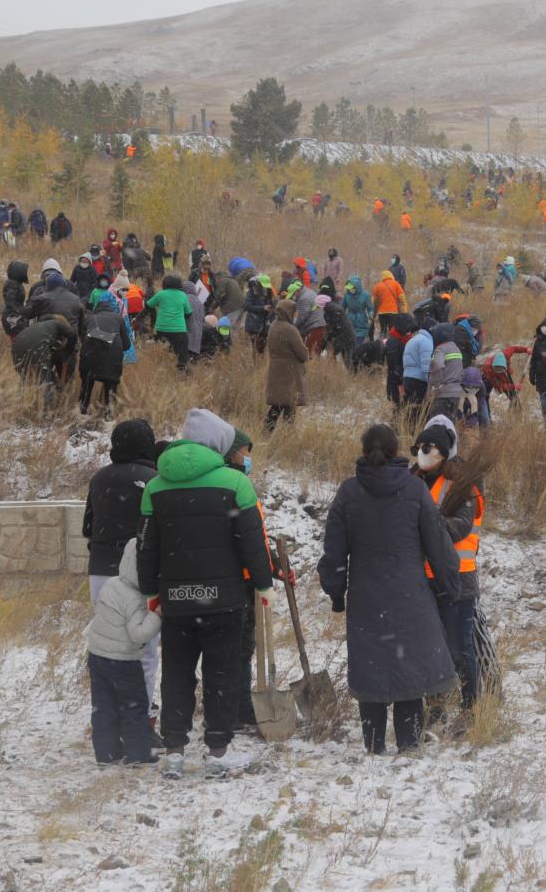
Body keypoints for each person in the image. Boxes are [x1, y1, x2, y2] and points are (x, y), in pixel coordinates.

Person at [137, 410, 273, 778]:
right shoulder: (235, 484)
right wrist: (264, 584)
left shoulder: (155, 486)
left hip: (177, 599)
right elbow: (252, 542)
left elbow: (147, 546)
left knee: (177, 673)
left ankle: (175, 752)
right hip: (224, 598)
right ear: (216, 444)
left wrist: (151, 591)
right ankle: (217, 751)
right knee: (222, 674)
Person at [318, 423, 461, 755]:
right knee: (408, 667)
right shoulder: (415, 491)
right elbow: (438, 544)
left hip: (367, 599)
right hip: (410, 595)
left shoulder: (349, 493)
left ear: (364, 451)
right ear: (398, 452)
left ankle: (373, 746)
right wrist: (449, 586)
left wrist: (336, 593)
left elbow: (334, 552)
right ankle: (409, 746)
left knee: (372, 668)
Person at [411, 417, 486, 713]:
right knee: (431, 648)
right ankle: (437, 705)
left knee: (459, 649)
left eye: (428, 447)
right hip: (422, 579)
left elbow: (461, 527)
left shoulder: (463, 484)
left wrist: (422, 523)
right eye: (418, 447)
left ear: (443, 452)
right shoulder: (412, 479)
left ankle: (471, 708)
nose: (422, 452)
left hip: (458, 580)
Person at [84, 420, 160, 702]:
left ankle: (111, 712)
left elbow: (88, 528)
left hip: (101, 571)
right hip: (140, 572)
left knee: (109, 646)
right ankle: (142, 717)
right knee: (144, 649)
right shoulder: (154, 479)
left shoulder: (99, 478)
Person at [85, 538, 163, 767]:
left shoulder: (111, 584)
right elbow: (139, 634)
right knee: (133, 709)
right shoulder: (136, 599)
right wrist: (157, 615)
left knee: (104, 708)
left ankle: (107, 754)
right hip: (124, 663)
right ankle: (138, 754)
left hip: (98, 657)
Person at [80, 289, 134, 414]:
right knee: (110, 385)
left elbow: (82, 340)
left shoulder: (89, 319)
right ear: (111, 310)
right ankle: (108, 415)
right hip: (113, 352)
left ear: (96, 310)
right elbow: (126, 345)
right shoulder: (118, 319)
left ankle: (82, 412)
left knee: (87, 384)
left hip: (90, 352)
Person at [264, 300, 309, 432]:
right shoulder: (290, 329)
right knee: (290, 403)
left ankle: (266, 433)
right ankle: (287, 435)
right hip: (290, 371)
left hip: (275, 370)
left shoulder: (273, 326)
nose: (295, 315)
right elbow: (303, 354)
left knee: (277, 404)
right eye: (294, 312)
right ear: (289, 312)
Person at [147, 273, 193, 371]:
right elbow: (189, 313)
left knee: (162, 351)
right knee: (182, 353)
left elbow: (148, 306)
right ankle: (181, 367)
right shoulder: (183, 295)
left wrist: (138, 319)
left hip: (161, 329)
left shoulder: (160, 294)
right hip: (179, 330)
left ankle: (160, 368)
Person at [373, 268, 406, 337]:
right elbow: (402, 300)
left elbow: (373, 300)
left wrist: (373, 314)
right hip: (393, 312)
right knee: (392, 331)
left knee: (383, 331)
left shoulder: (378, 286)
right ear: (391, 276)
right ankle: (390, 344)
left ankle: (382, 344)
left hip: (382, 313)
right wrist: (404, 313)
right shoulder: (396, 284)